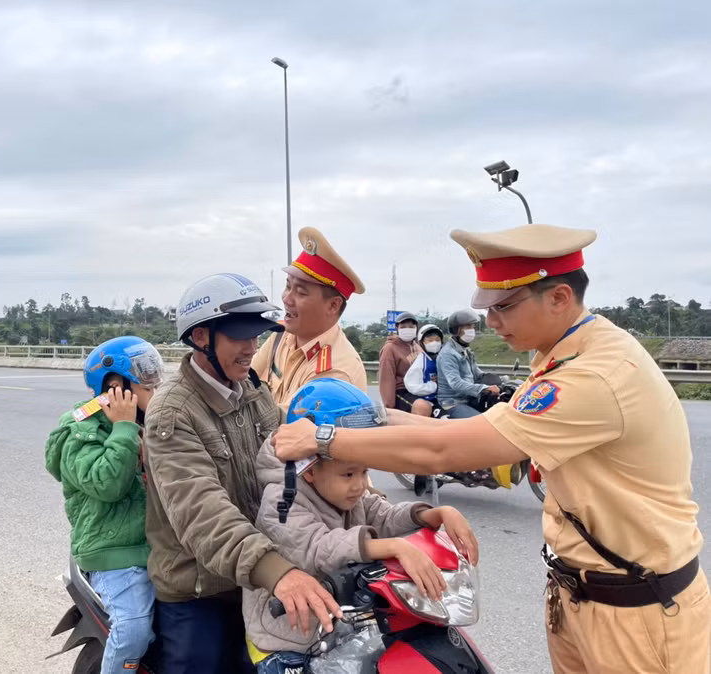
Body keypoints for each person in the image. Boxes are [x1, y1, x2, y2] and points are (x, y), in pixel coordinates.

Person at [273, 223, 709, 673]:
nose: (490, 321)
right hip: (584, 596)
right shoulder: (562, 355)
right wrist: (374, 418)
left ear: (559, 297)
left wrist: (325, 439)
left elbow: (447, 451)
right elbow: (470, 429)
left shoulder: (595, 375)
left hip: (636, 613)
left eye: (503, 306)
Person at [143, 273, 341, 674]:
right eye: (240, 337)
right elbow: (203, 514)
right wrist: (278, 574)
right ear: (201, 338)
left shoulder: (251, 389)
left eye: (256, 337)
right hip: (203, 590)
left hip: (260, 574)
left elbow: (297, 457)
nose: (252, 348)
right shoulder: (172, 413)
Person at [243, 378, 479, 673]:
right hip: (288, 641)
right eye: (349, 474)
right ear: (310, 470)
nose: (359, 485)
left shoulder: (346, 493)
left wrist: (431, 514)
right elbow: (318, 548)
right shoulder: (282, 499)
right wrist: (394, 546)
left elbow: (381, 514)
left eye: (364, 471)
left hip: (337, 628)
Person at [44, 336, 165, 673]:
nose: (154, 391)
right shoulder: (80, 432)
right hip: (114, 551)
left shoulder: (146, 423)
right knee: (133, 630)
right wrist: (124, 426)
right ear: (116, 387)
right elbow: (107, 483)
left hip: (156, 546)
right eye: (146, 382)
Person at [252, 227, 367, 408]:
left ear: (333, 305)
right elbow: (245, 380)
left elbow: (282, 424)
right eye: (288, 286)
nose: (286, 298)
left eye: (300, 292)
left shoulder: (336, 371)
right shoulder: (281, 336)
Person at [435, 309, 500, 418]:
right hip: (452, 403)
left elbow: (478, 374)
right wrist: (483, 388)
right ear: (456, 330)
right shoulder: (448, 354)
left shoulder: (465, 351)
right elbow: (455, 383)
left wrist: (503, 381)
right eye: (467, 327)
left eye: (473, 327)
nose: (471, 330)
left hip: (468, 399)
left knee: (496, 415)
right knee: (481, 423)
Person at [377, 311, 422, 412]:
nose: (408, 329)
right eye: (403, 326)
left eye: (411, 326)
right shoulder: (390, 348)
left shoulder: (418, 348)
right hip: (401, 391)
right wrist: (390, 406)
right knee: (422, 408)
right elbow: (387, 378)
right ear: (397, 328)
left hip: (418, 389)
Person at [402, 323, 444, 417]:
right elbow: (413, 386)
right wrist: (434, 386)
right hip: (428, 400)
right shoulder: (420, 362)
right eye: (430, 340)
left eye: (437, 340)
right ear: (422, 343)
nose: (434, 343)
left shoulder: (443, 358)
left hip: (443, 399)